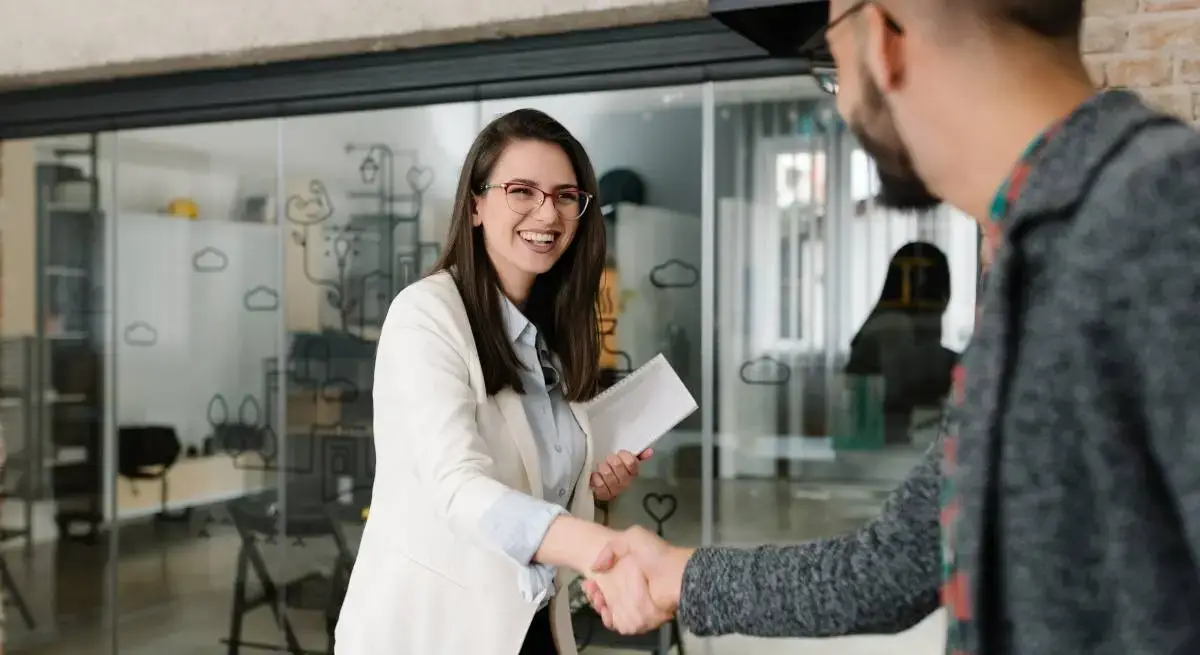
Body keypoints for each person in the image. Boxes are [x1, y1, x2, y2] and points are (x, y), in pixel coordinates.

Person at [585, 0, 1200, 652]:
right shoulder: (1034, 254)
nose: (843, 100)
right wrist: (679, 576)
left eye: (833, 67)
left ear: (880, 41)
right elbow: (895, 564)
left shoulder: (1159, 214)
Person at [334, 108, 659, 655]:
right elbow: (458, 487)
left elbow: (529, 480)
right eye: (522, 190)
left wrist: (587, 481)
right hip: (433, 634)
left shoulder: (548, 331)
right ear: (476, 204)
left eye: (564, 196)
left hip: (530, 629)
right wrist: (600, 547)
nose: (546, 212)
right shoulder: (426, 315)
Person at [845, 241, 957, 445]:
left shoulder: (895, 323)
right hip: (882, 447)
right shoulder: (893, 325)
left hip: (892, 442)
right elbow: (903, 384)